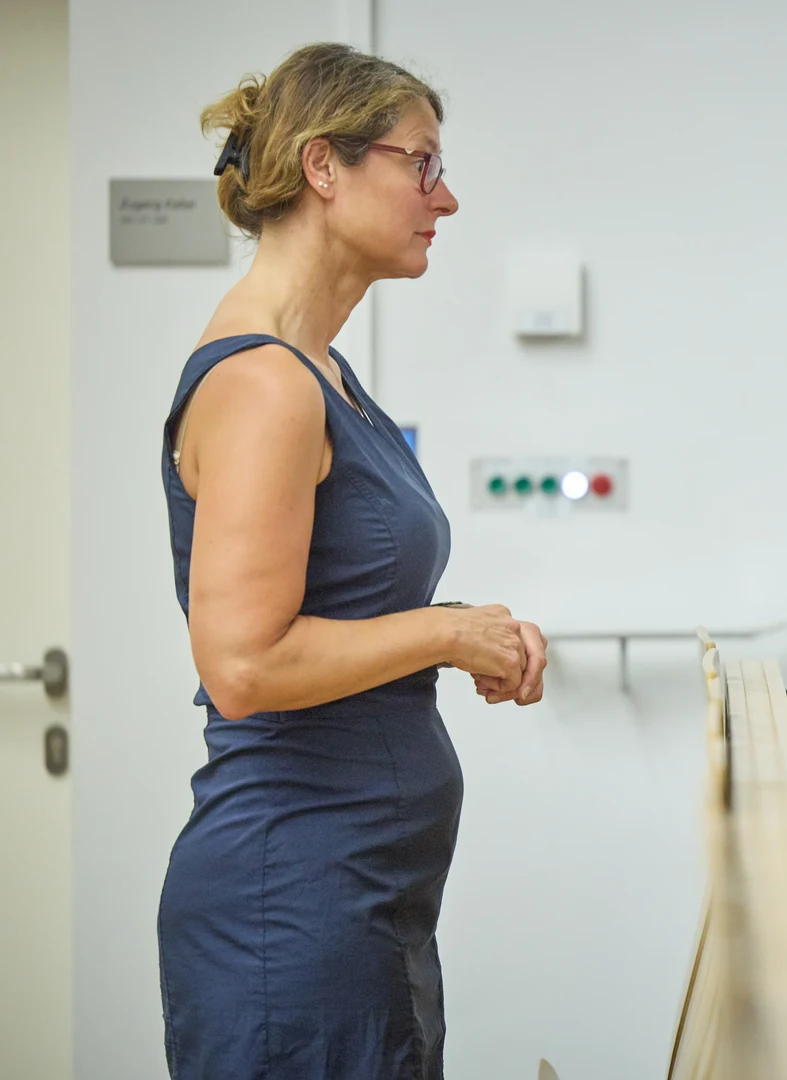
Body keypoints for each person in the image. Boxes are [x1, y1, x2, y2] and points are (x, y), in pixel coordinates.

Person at [157, 44, 545, 1079]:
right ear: (324, 167)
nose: (446, 197)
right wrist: (447, 633)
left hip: (359, 897)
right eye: (422, 164)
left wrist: (470, 632)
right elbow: (243, 665)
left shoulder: (322, 370)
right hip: (291, 910)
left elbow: (335, 603)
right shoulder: (264, 384)